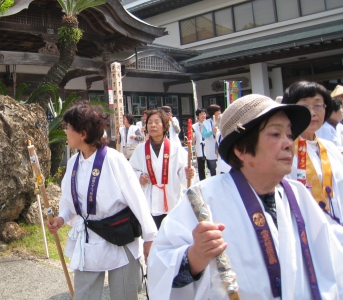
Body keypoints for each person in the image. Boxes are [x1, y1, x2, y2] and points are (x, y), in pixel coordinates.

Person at [147, 94, 343, 299]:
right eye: (276, 134)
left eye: (289, 134)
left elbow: (333, 256)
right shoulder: (204, 199)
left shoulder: (298, 194)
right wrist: (195, 256)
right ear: (241, 149)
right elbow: (160, 269)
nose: (288, 143)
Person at [47, 101, 157, 300]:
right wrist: (61, 219)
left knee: (124, 296)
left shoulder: (113, 160)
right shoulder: (73, 164)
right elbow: (70, 203)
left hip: (120, 239)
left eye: (69, 128)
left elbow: (137, 200)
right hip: (89, 241)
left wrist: (149, 237)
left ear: (83, 133)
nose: (66, 132)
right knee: (83, 296)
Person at [282, 81, 343, 225]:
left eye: (318, 105)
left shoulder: (330, 148)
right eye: (304, 106)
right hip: (305, 233)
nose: (312, 112)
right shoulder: (283, 150)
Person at [129, 109, 194, 229]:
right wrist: (139, 177)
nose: (152, 125)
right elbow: (131, 171)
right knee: (152, 240)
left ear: (164, 127)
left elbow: (185, 177)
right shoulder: (140, 149)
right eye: (149, 122)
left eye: (157, 122)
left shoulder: (176, 149)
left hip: (171, 201)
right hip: (149, 203)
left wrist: (188, 174)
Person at [192, 108, 216, 180]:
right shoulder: (194, 126)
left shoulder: (210, 123)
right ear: (197, 116)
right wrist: (193, 139)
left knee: (211, 167)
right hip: (200, 148)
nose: (203, 115)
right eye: (201, 114)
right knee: (201, 168)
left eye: (204, 114)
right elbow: (193, 137)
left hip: (209, 147)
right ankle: (202, 182)